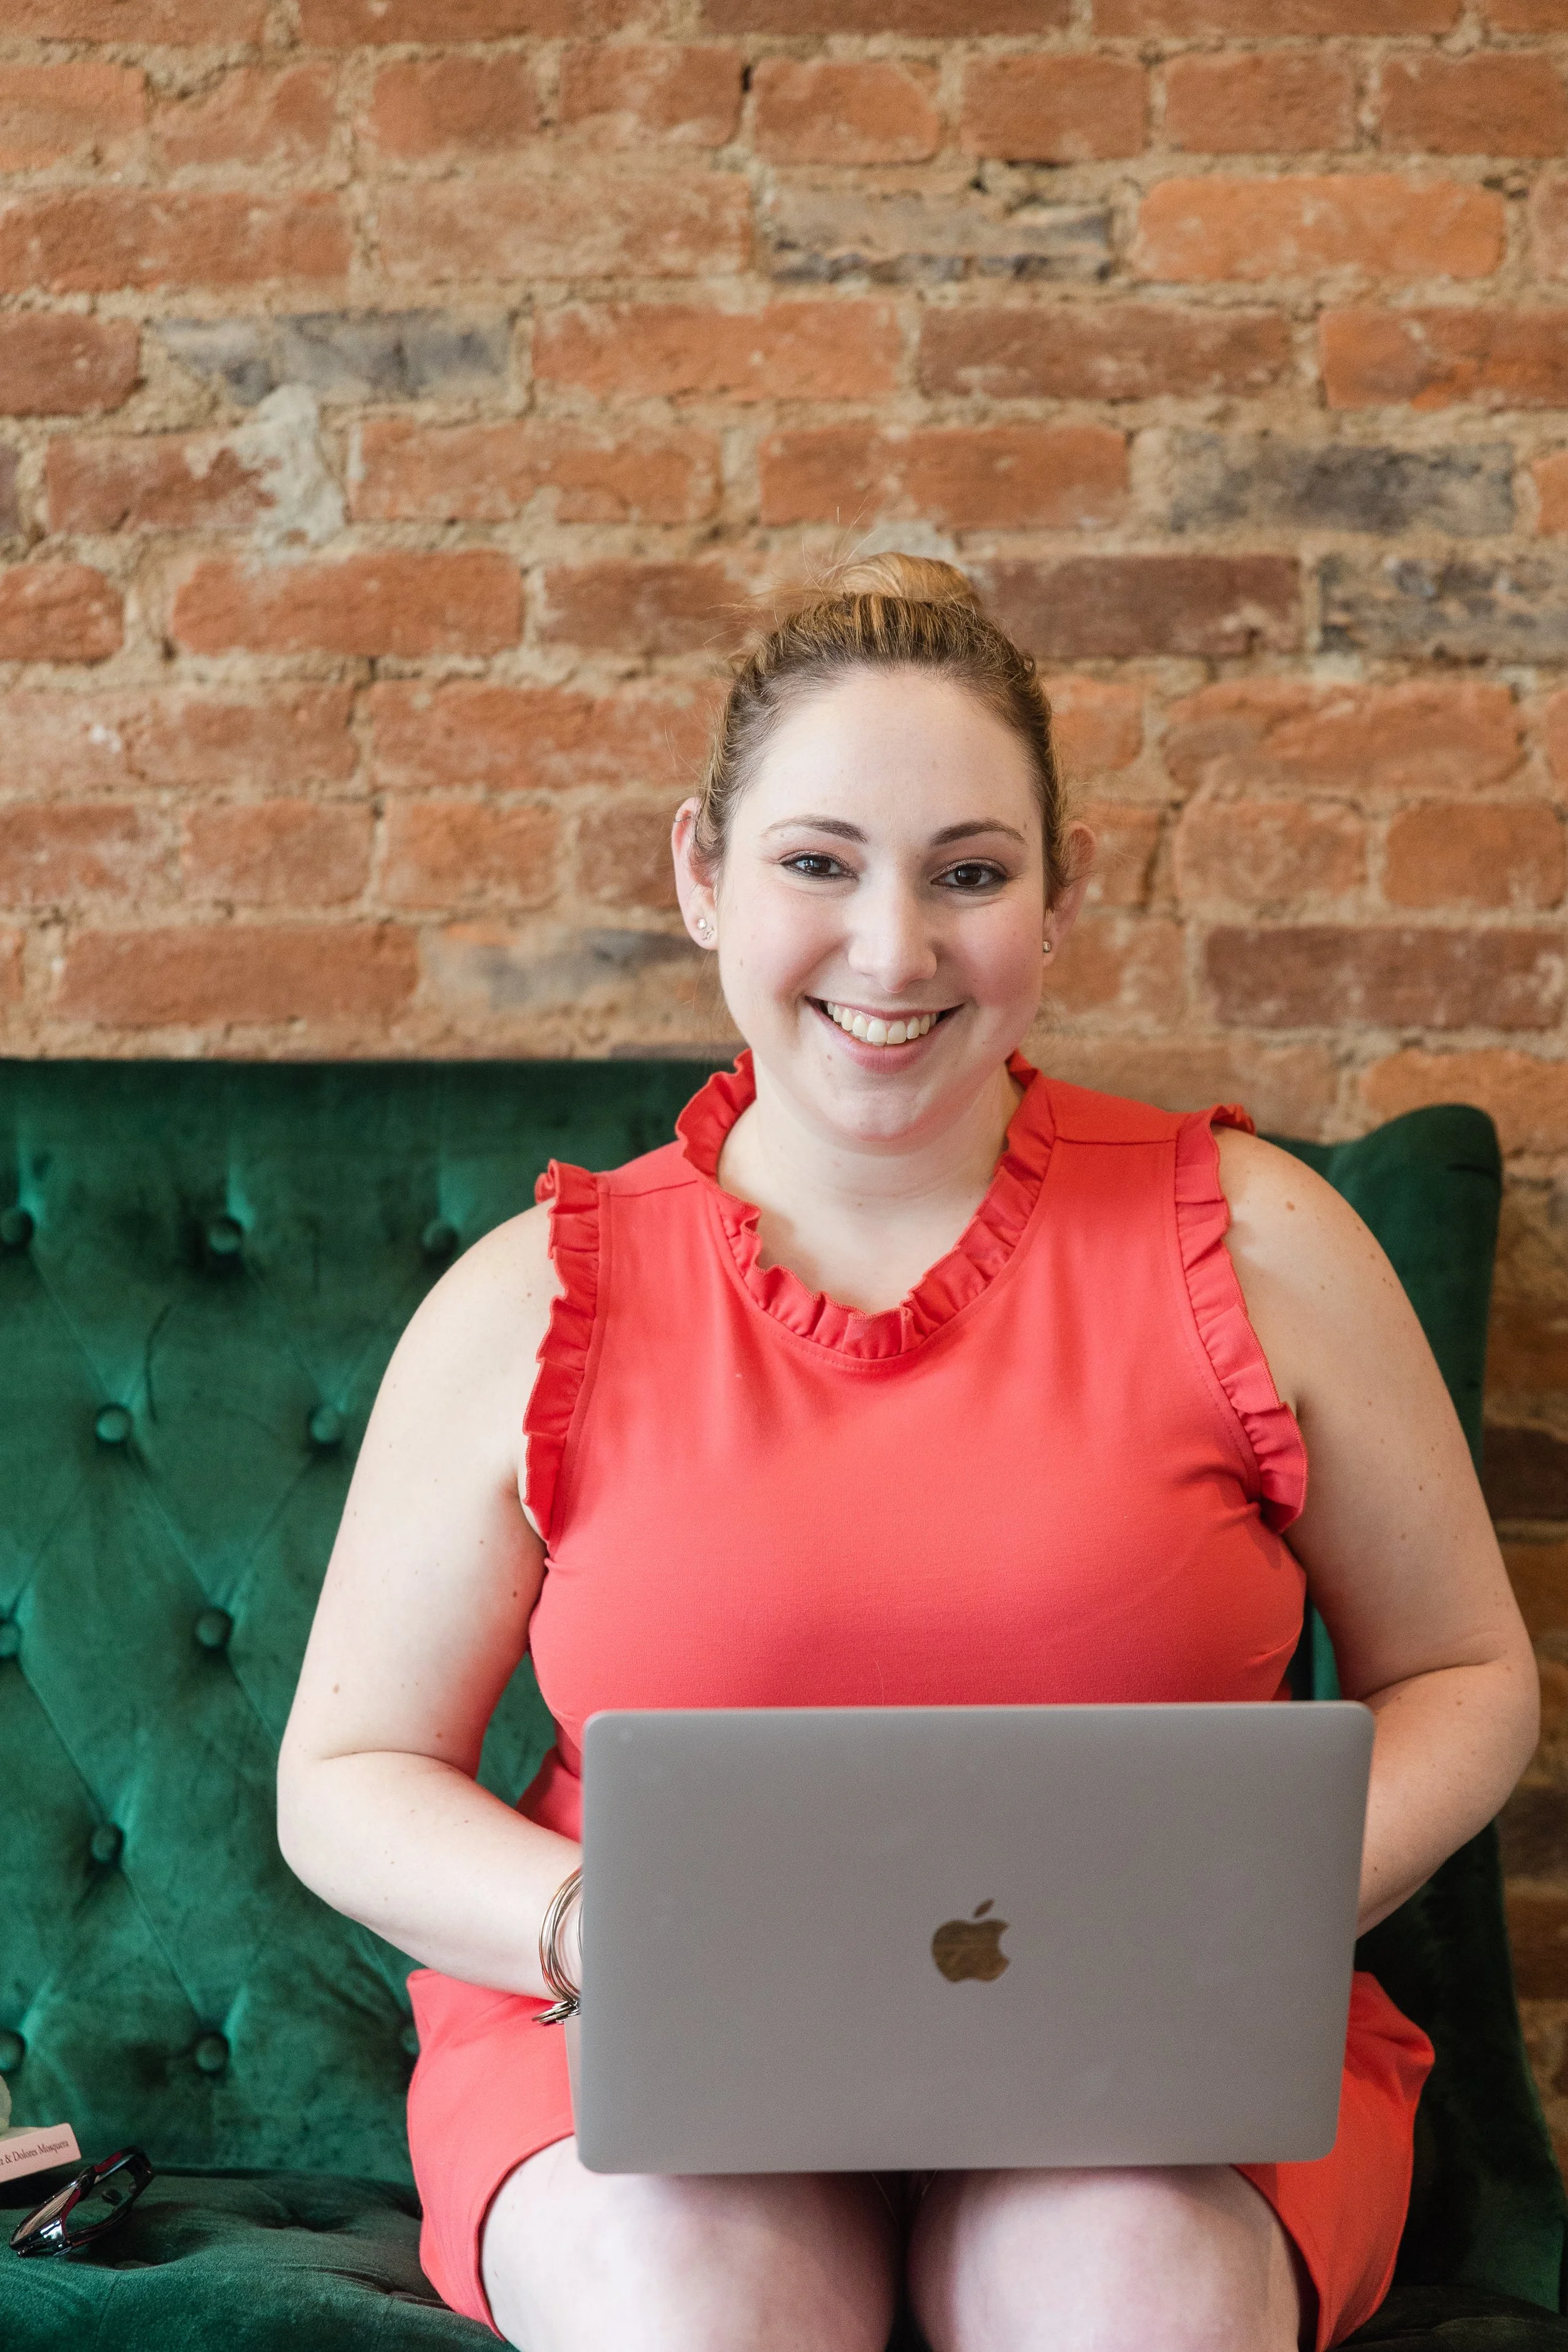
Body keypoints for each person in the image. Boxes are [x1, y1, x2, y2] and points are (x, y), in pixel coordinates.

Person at [277, 554, 1539, 2352]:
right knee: (686, 2306)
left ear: (1058, 890)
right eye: (815, 862)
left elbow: (1470, 1672)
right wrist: (592, 1926)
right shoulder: (528, 1296)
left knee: (1134, 2303)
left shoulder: (1258, 1240)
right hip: (638, 2060)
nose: (894, 949)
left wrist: (1244, 1904)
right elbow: (343, 1765)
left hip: (1155, 2044)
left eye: (968, 871)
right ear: (700, 873)